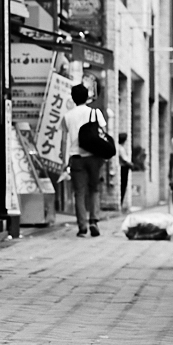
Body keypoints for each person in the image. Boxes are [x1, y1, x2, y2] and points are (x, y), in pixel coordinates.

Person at [62, 82, 111, 237]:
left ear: (73, 98)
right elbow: (103, 133)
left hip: (76, 158)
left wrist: (65, 163)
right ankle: (94, 221)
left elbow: (64, 141)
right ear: (87, 97)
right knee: (94, 189)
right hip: (94, 157)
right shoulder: (95, 113)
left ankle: (82, 227)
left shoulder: (67, 116)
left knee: (79, 193)